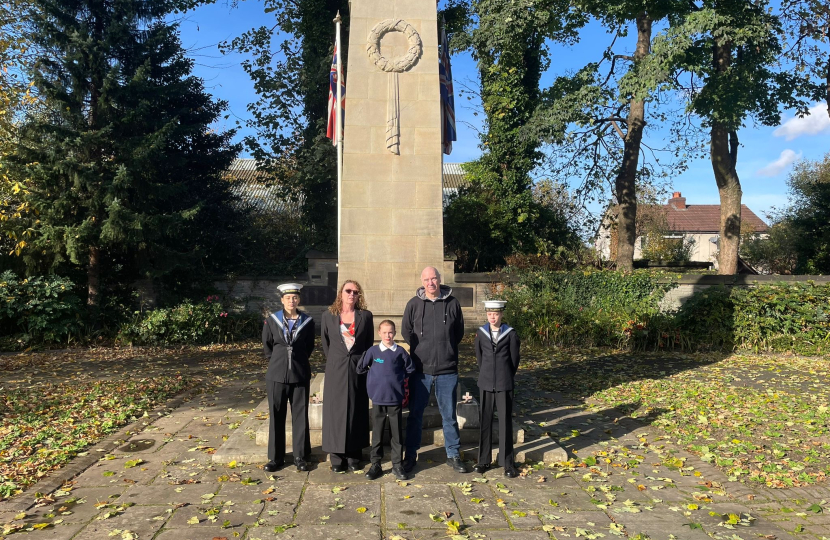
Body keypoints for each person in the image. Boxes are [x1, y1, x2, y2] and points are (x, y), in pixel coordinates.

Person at [401, 266, 466, 474]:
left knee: (449, 415)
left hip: (447, 369)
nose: (431, 282)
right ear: (422, 281)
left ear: (439, 279)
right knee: (415, 415)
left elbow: (459, 332)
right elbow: (406, 331)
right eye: (427, 279)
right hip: (420, 370)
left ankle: (453, 455)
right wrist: (422, 351)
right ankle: (410, 455)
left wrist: (446, 348)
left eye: (434, 279)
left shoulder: (453, 303)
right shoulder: (413, 304)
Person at [320, 280, 374, 472]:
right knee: (335, 411)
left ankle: (353, 454)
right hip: (336, 369)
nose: (352, 294)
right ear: (341, 293)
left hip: (357, 369)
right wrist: (337, 359)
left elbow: (368, 344)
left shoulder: (365, 316)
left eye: (356, 292)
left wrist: (361, 363)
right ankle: (336, 456)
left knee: (356, 410)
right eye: (348, 291)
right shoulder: (328, 316)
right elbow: (326, 343)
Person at [262, 283, 315, 472]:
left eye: (295, 298)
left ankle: (300, 456)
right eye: (288, 298)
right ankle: (276, 458)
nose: (292, 301)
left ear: (299, 299)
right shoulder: (272, 320)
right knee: (276, 415)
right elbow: (267, 346)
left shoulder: (307, 321)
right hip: (276, 374)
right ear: (282, 300)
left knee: (300, 415)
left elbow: (309, 346)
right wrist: (280, 361)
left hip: (300, 373)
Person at [357, 320, 415, 481]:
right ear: (379, 333)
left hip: (395, 399)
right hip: (378, 398)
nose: (387, 335)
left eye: (390, 332)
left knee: (396, 433)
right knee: (377, 432)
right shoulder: (373, 351)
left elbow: (410, 369)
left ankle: (397, 464)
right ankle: (376, 463)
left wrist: (399, 382)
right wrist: (372, 381)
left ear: (394, 333)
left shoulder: (400, 352)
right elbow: (361, 368)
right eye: (384, 332)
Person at [473, 300, 521, 478]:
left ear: (501, 314)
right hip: (485, 383)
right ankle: (483, 460)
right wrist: (487, 373)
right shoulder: (481, 333)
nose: (492, 317)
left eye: (496, 314)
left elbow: (514, 360)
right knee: (484, 422)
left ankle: (508, 462)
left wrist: (504, 375)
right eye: (489, 314)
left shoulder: (510, 334)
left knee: (505, 423)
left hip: (504, 383)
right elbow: (479, 357)